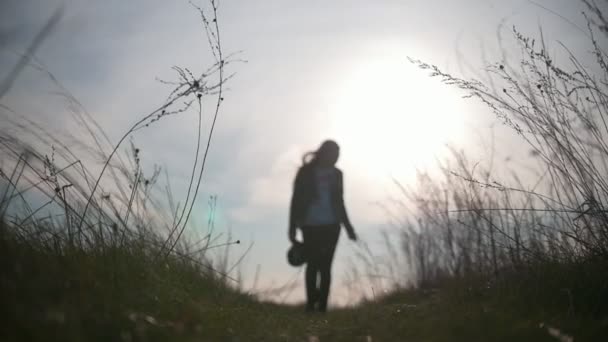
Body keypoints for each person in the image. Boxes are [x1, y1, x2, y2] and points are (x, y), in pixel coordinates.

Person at [288, 139, 357, 312]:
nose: (336, 157)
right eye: (334, 153)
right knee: (312, 264)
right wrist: (292, 227)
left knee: (325, 266)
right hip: (310, 224)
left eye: (338, 154)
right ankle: (311, 304)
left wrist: (348, 228)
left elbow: (340, 202)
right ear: (324, 153)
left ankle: (322, 308)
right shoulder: (306, 172)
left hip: (332, 225)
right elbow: (295, 200)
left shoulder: (337, 174)